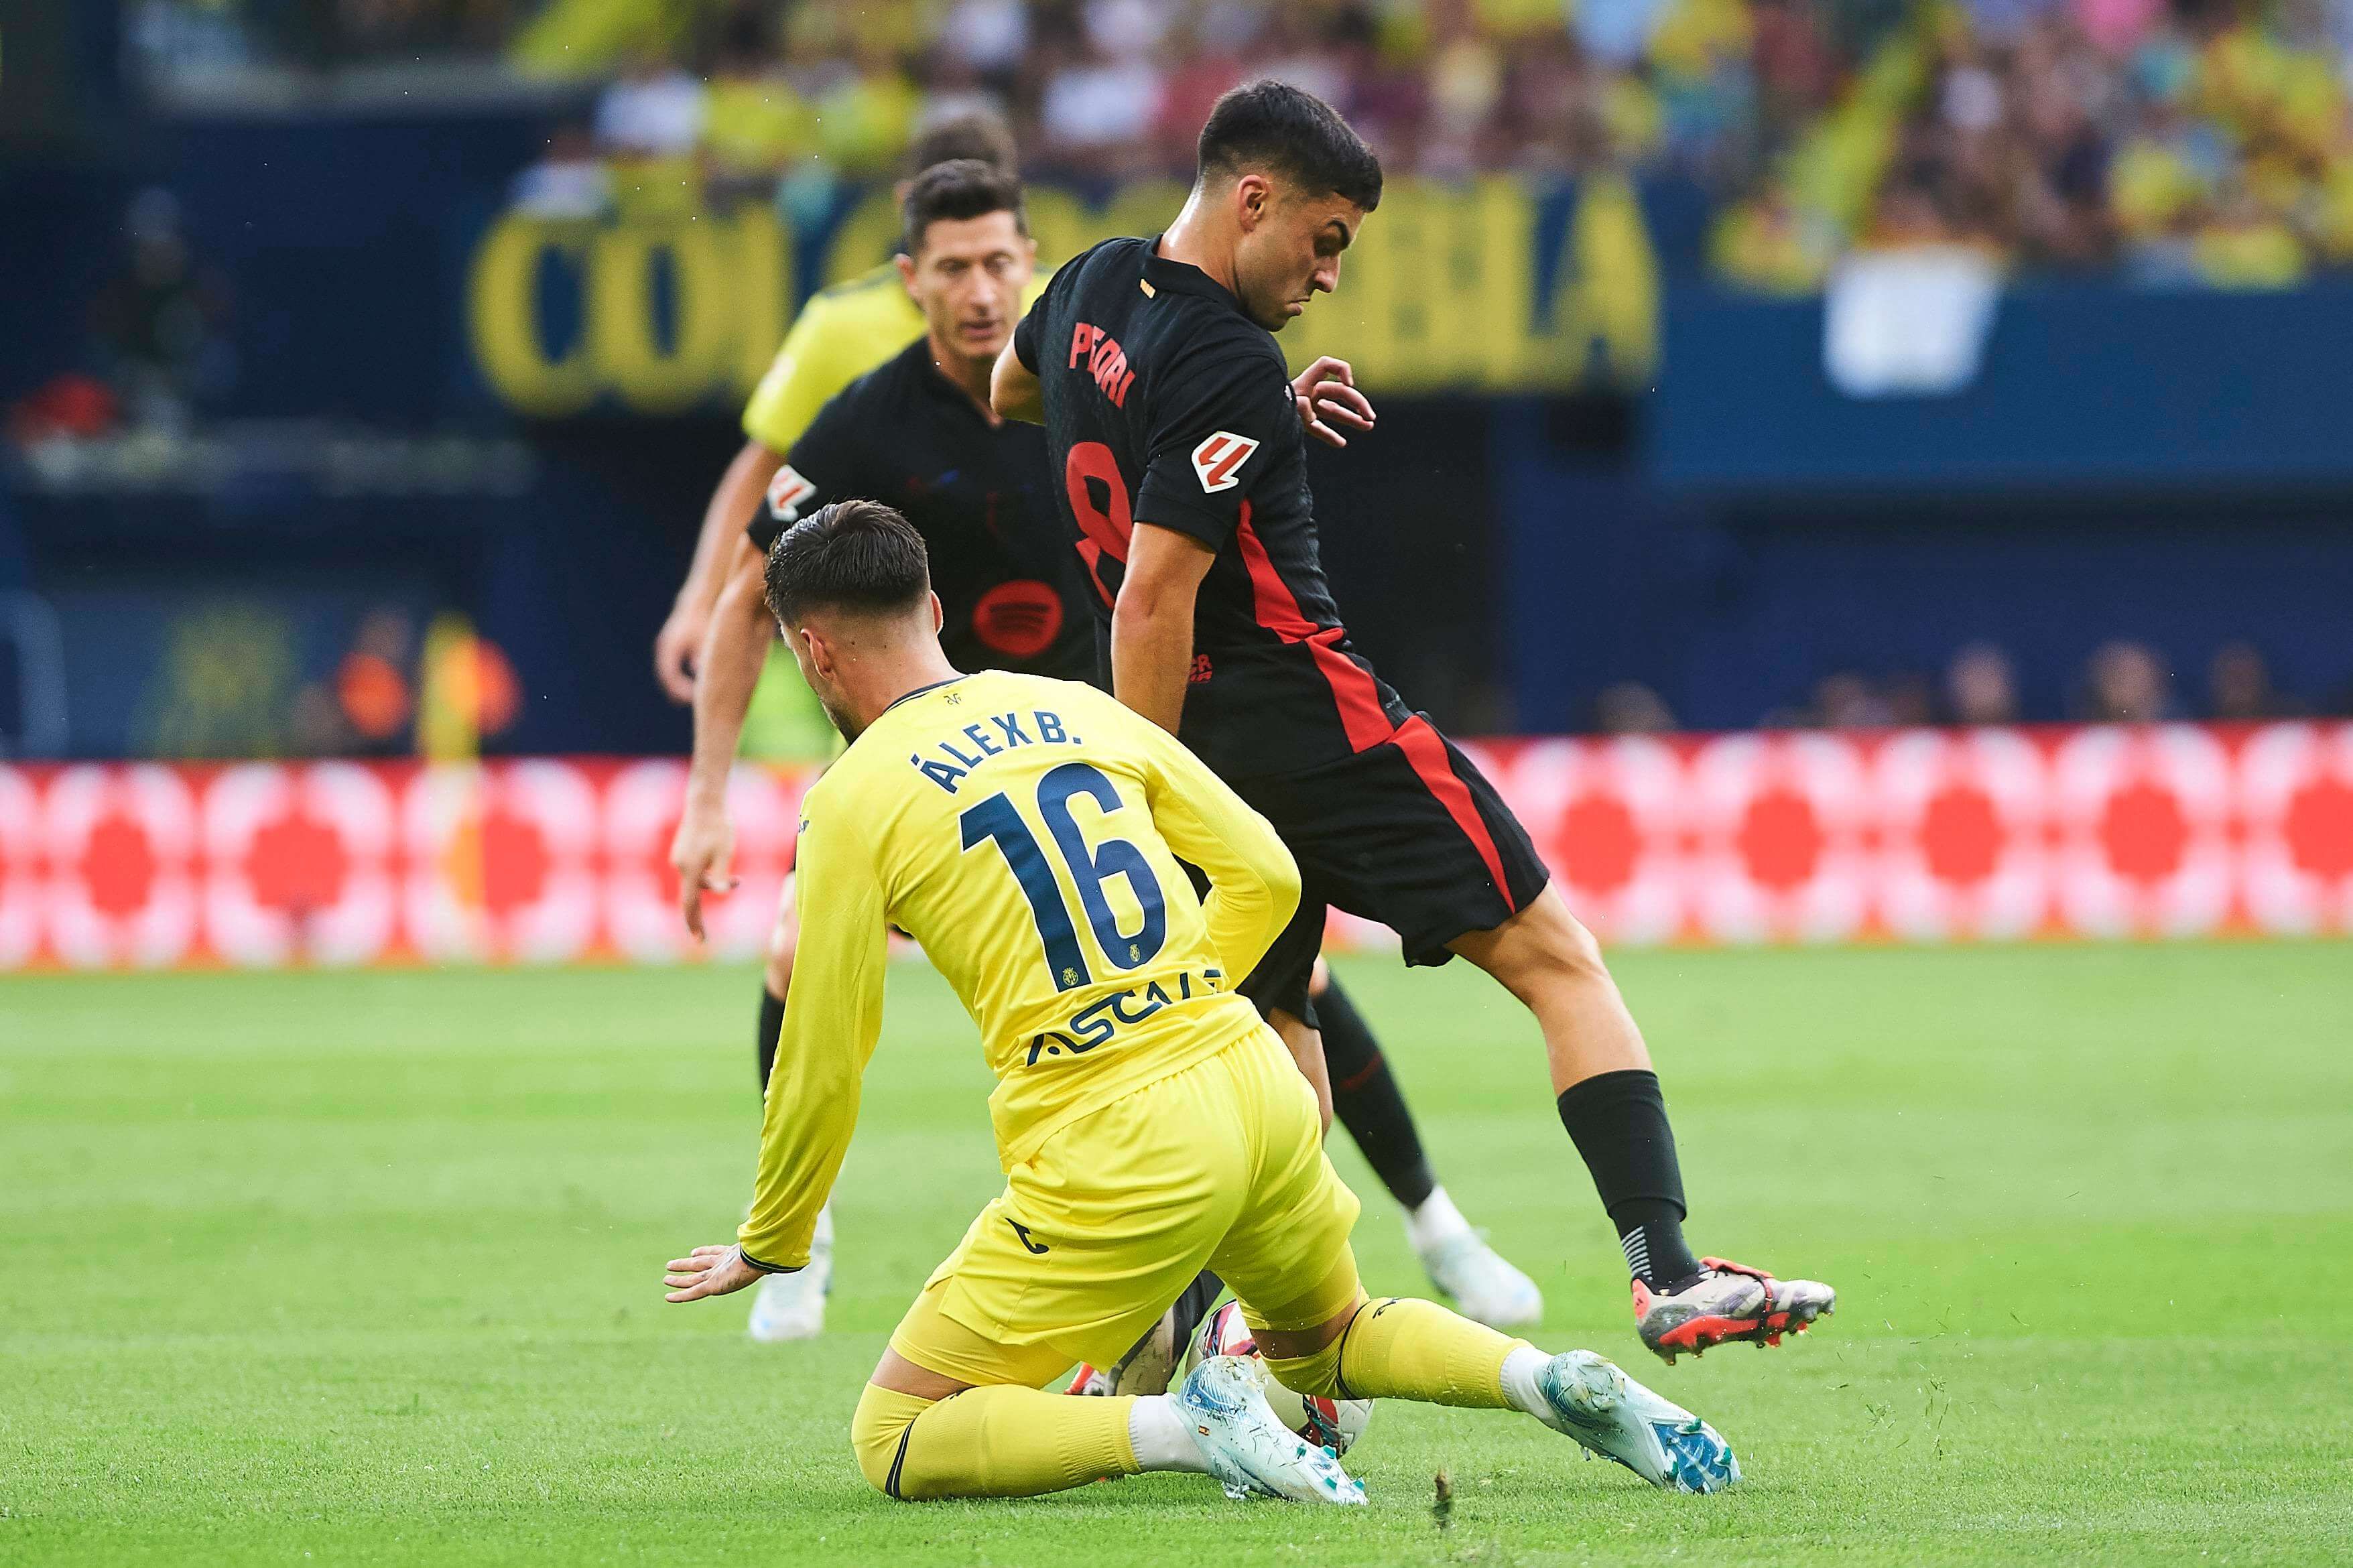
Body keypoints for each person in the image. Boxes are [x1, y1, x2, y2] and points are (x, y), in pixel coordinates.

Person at [657, 500, 1740, 1502]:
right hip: (1252, 1084)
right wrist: (1174, 997)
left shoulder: (850, 800)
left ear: (809, 650)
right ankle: (1549, 1379)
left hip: (1112, 1138)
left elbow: (827, 1041)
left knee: (895, 1433)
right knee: (1328, 1339)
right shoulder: (1075, 707)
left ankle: (1188, 1427)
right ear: (934, 611)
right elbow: (1266, 871)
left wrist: (774, 1237)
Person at [993, 79, 1834, 1362]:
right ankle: (1665, 1270)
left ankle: (1226, 1338)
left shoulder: (1087, 287)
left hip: (1211, 743)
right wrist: (1140, 787)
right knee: (1556, 957)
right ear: (1253, 197)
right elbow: (1157, 597)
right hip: (1304, 720)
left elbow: (1009, 391)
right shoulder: (1226, 355)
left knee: (1279, 1039)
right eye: (1325, 240)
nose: (1330, 275)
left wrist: (1237, 428)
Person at [672, 151, 1543, 1347]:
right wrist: (708, 798)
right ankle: (803, 1248)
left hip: (1098, 734)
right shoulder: (870, 422)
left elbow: (1195, 454)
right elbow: (747, 596)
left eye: (1000, 264)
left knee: (1291, 978)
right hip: (943, 764)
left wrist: (1269, 414)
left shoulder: (1083, 373)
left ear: (1030, 265)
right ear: (910, 282)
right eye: (956, 270)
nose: (982, 292)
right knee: (793, 950)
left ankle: (1435, 1223)